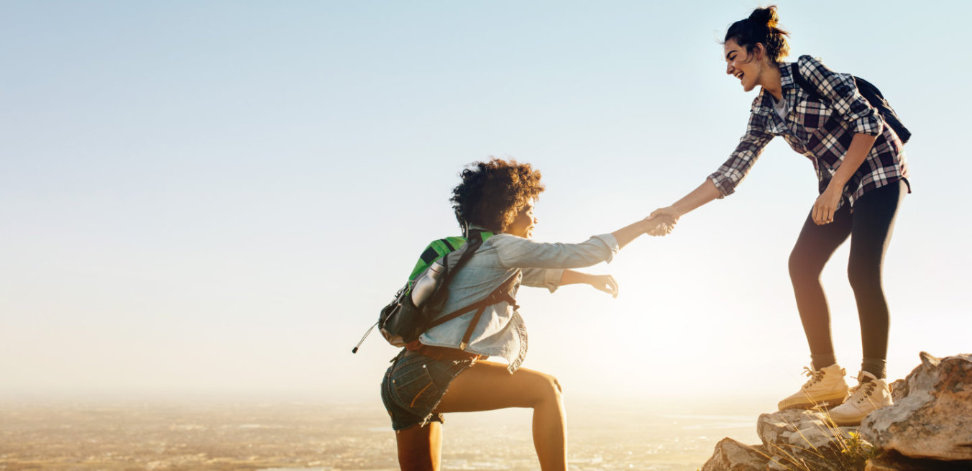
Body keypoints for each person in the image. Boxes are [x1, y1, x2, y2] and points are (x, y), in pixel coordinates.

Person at [648, 6, 908, 425]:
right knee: (801, 265)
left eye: (732, 57)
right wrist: (674, 210)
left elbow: (868, 122)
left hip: (877, 171)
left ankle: (875, 384)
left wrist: (836, 185)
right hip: (836, 188)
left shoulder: (808, 71)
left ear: (757, 51)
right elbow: (731, 173)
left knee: (861, 270)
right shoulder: (764, 111)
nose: (729, 69)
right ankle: (827, 376)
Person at [381, 158, 671, 471]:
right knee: (546, 390)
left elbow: (542, 274)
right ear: (508, 210)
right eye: (529, 208)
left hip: (401, 380)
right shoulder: (505, 247)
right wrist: (645, 224)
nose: (534, 218)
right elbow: (585, 252)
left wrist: (589, 280)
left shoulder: (465, 249)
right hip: (435, 374)